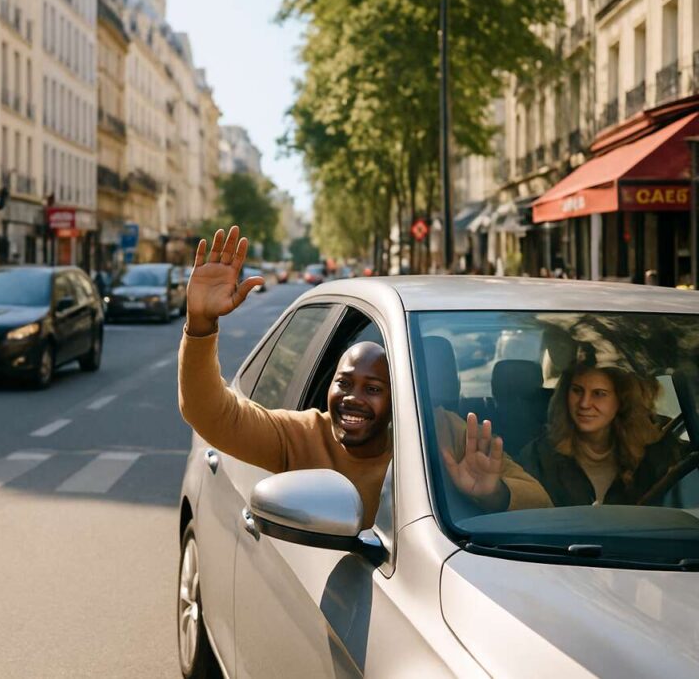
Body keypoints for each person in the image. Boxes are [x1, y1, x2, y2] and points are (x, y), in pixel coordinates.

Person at [178, 226, 552, 529]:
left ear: (401, 398)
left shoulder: (448, 435)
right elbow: (209, 412)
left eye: (373, 388)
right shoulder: (303, 436)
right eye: (343, 383)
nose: (352, 397)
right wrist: (200, 324)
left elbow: (542, 503)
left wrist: (493, 495)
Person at [519, 362, 684, 506]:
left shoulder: (658, 453)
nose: (584, 403)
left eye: (599, 394)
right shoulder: (539, 455)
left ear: (622, 400)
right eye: (577, 391)